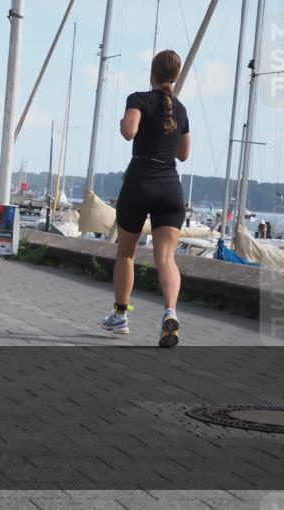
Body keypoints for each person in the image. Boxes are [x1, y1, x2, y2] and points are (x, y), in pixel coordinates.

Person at [100, 49, 191, 348]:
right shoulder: (180, 110)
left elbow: (129, 131)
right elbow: (184, 154)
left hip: (140, 182)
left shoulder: (138, 98)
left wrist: (122, 125)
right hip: (170, 187)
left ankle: (120, 316)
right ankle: (170, 312)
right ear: (175, 77)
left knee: (126, 254)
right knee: (166, 258)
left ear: (152, 73)